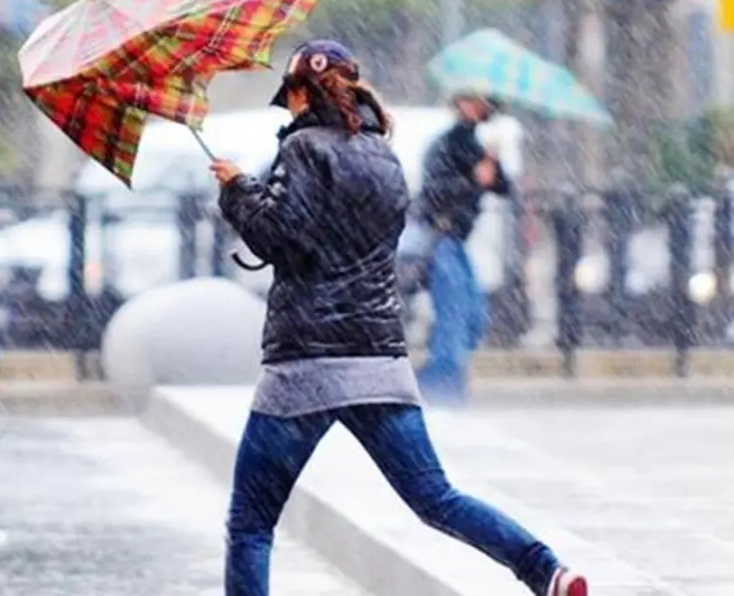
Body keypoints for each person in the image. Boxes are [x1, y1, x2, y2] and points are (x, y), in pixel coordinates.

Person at [210, 40, 587, 596]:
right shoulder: (383, 154)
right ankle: (545, 569)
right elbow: (349, 239)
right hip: (379, 361)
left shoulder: (302, 150)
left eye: (287, 97)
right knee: (436, 497)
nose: (286, 110)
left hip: (307, 366)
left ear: (300, 92)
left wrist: (237, 190)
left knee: (251, 524)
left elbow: (282, 239)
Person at [413, 89, 510, 403]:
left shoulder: (472, 145)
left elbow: (501, 186)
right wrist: (474, 181)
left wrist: (492, 165)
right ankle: (441, 385)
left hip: (456, 241)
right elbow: (435, 193)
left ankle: (441, 378)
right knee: (454, 314)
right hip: (441, 238)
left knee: (472, 316)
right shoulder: (446, 144)